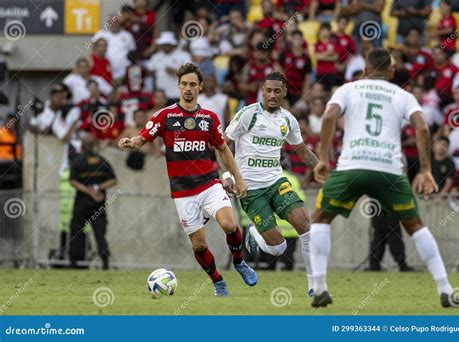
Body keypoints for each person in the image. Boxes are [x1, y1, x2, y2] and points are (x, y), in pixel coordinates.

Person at [310, 48, 459, 308]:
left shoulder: (348, 89)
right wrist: (425, 170)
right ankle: (445, 289)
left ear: (366, 70)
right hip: (389, 170)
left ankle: (320, 286)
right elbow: (423, 126)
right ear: (392, 72)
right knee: (416, 226)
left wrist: (323, 158)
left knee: (319, 219)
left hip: (352, 167)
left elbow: (328, 116)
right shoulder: (403, 95)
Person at [118, 63, 257, 296]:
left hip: (209, 183)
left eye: (193, 84)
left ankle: (239, 261)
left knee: (230, 224)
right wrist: (131, 142)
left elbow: (223, 150)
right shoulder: (165, 116)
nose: (188, 88)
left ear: (200, 87)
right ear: (179, 86)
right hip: (183, 192)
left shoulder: (209, 118)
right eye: (184, 84)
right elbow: (142, 139)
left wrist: (238, 179)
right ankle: (217, 281)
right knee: (199, 245)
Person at [223, 72, 319, 296]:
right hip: (250, 188)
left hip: (276, 181)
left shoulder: (288, 120)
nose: (273, 95)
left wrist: (323, 167)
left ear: (285, 92)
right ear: (263, 91)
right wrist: (228, 175)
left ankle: (315, 284)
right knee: (279, 248)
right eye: (269, 90)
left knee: (305, 226)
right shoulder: (248, 114)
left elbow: (303, 152)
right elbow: (223, 145)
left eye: (277, 91)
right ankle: (254, 233)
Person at [69, 134, 117, 270]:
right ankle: (105, 264)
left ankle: (75, 264)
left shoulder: (78, 161)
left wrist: (88, 190)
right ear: (95, 144)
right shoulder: (102, 161)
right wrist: (97, 189)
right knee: (100, 234)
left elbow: (73, 181)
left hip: (81, 204)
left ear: (82, 146)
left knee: (76, 232)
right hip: (98, 204)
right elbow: (113, 180)